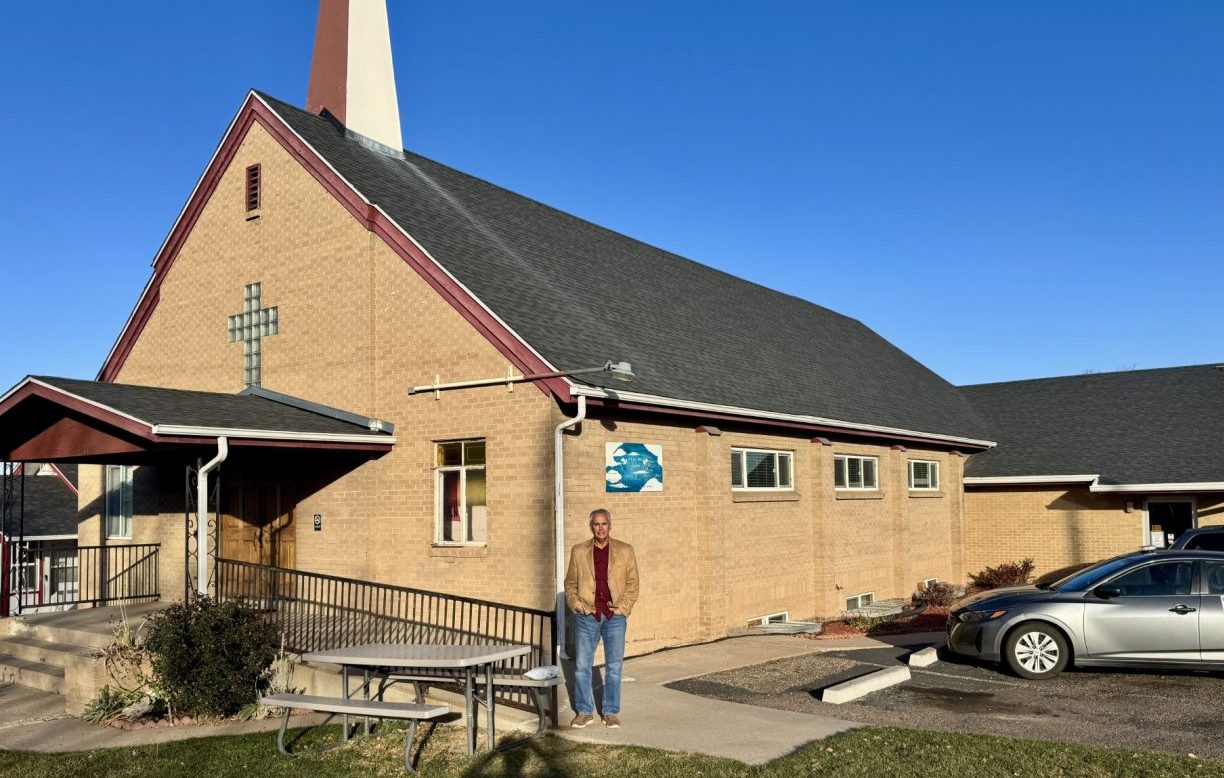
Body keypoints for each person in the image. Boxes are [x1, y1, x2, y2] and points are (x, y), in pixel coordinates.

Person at [564, 508, 639, 728]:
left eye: (604, 524)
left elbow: (633, 584)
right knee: (582, 666)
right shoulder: (579, 551)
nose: (600, 528)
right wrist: (576, 604)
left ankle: (610, 711)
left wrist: (623, 609)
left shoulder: (625, 551)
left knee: (614, 666)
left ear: (610, 526)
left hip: (614, 616)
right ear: (591, 527)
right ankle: (584, 711)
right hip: (587, 615)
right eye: (596, 524)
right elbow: (570, 584)